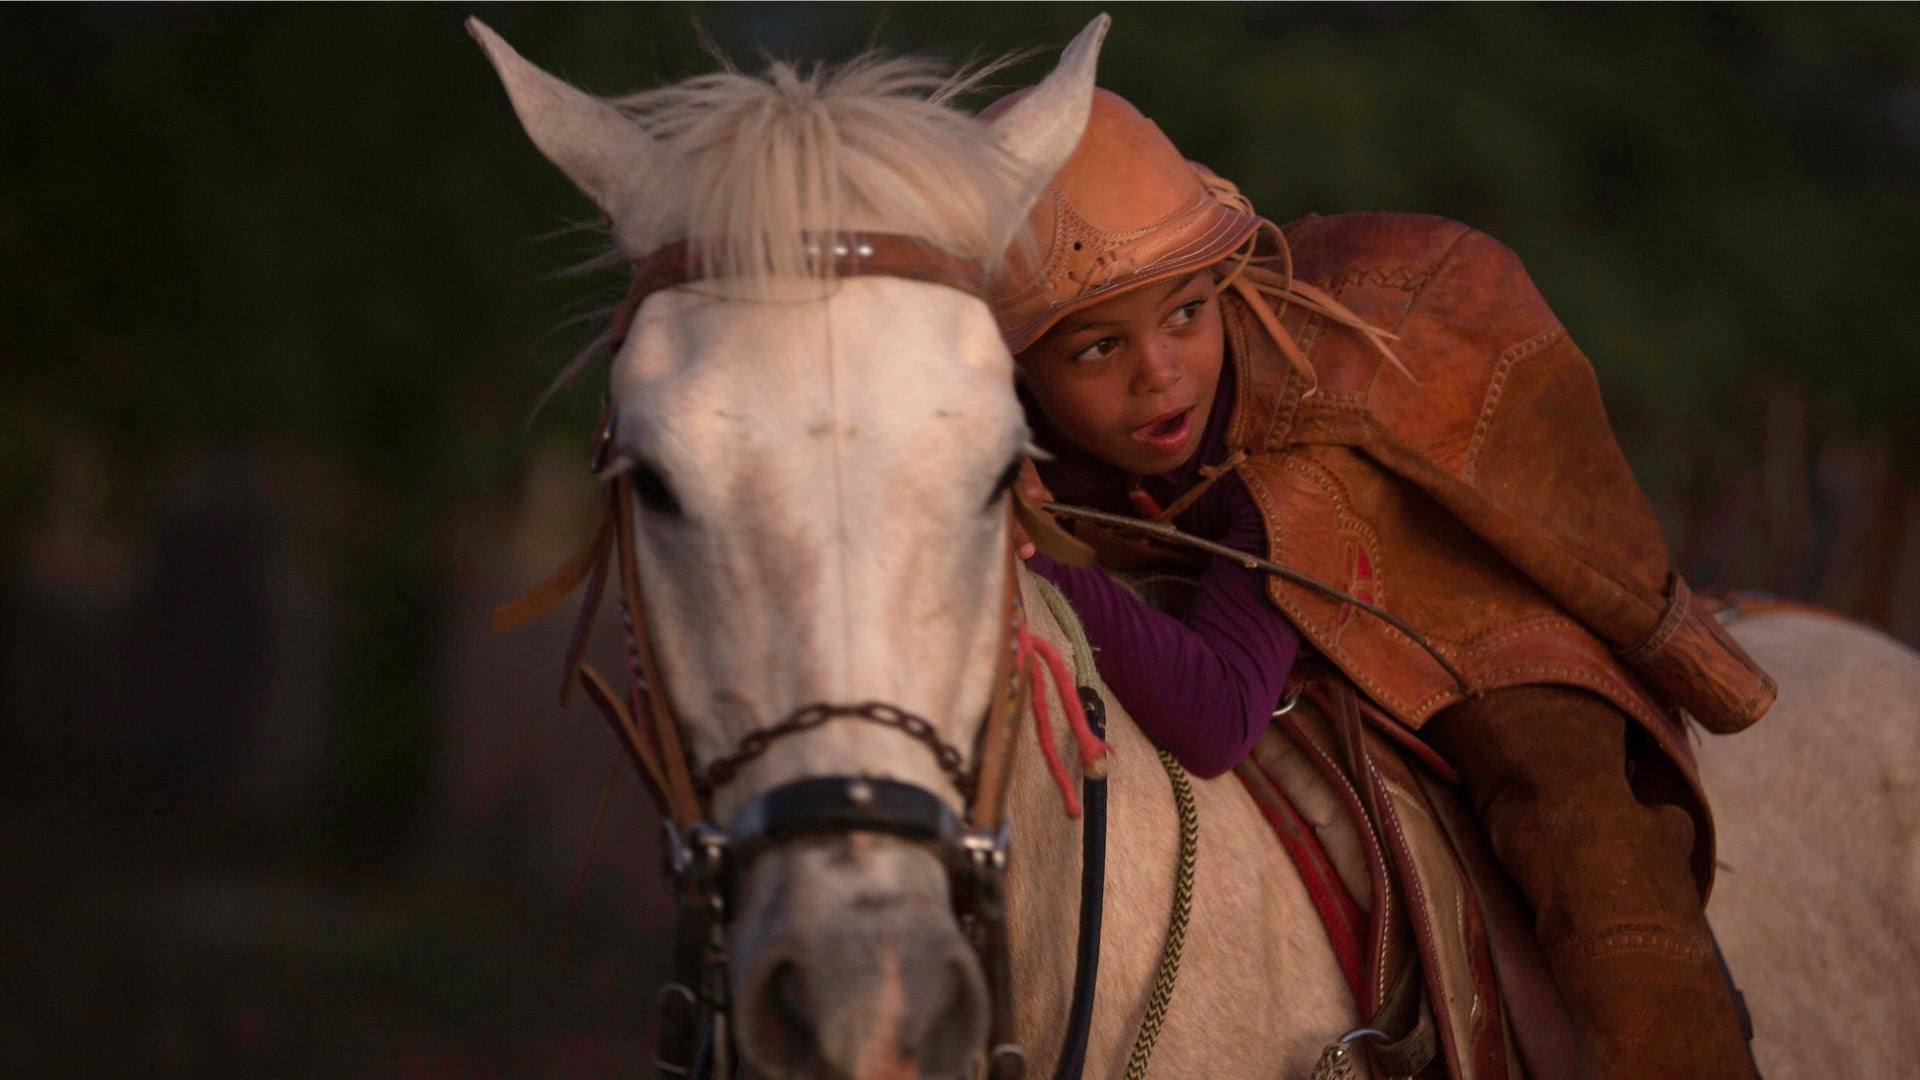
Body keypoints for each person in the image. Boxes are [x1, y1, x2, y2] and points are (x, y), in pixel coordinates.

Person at [984, 87, 1762, 1079]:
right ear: (1017, 370)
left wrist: (1032, 565)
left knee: (1576, 816)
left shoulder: (1294, 448)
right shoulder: (1011, 429)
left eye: (1188, 313)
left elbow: (1221, 714)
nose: (1161, 373)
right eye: (1099, 346)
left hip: (1437, 589)